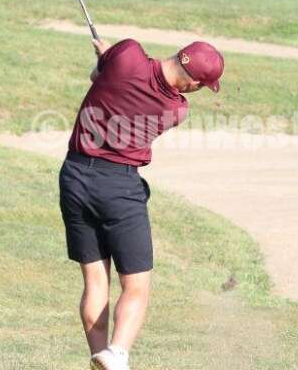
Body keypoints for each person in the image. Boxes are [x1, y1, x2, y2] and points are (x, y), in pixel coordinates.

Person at [58, 36, 224, 370]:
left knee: (94, 281)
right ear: (193, 83)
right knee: (136, 285)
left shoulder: (128, 53)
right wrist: (108, 61)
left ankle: (97, 353)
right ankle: (117, 354)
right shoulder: (175, 110)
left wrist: (106, 57)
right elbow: (118, 82)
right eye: (202, 86)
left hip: (74, 176)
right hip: (119, 187)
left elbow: (99, 77)